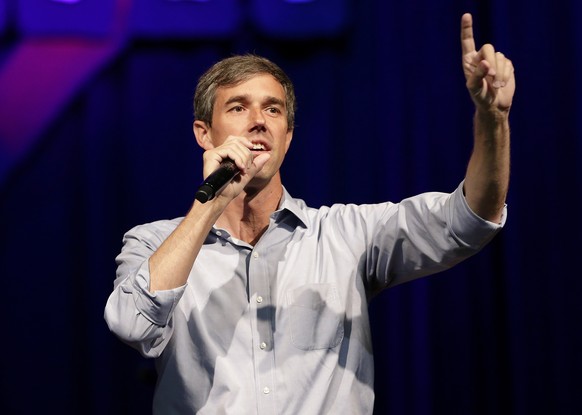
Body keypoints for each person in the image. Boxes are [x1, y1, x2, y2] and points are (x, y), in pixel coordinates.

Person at [105, 13, 514, 415]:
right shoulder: (155, 242)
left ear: (288, 137)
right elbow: (131, 325)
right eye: (238, 108)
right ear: (204, 134)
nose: (258, 123)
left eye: (272, 110)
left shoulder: (344, 235)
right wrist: (209, 205)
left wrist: (492, 120)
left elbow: (469, 221)